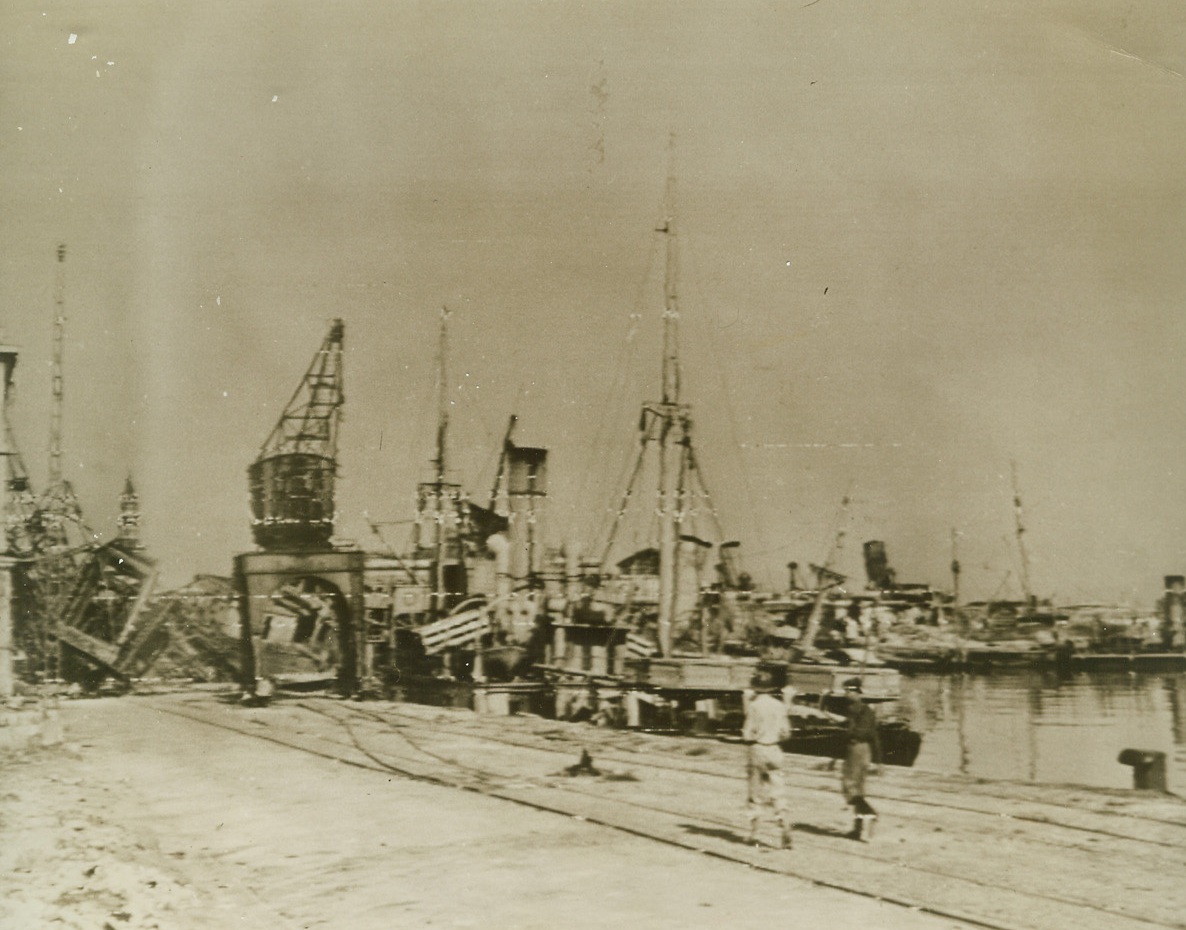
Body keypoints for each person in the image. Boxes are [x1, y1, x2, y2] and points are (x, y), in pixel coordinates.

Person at [743, 668, 792, 849]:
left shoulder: (754, 706)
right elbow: (786, 733)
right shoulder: (779, 706)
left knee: (755, 794)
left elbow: (747, 734)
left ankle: (754, 834)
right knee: (777, 791)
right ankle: (784, 824)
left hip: (758, 749)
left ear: (755, 687)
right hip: (775, 750)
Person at [841, 678, 881, 841]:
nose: (846, 694)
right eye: (846, 690)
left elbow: (863, 733)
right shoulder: (853, 709)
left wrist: (845, 731)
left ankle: (871, 813)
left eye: (849, 691)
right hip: (856, 750)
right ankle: (857, 829)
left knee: (850, 787)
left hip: (859, 749)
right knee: (858, 788)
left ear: (858, 692)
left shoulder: (864, 711)